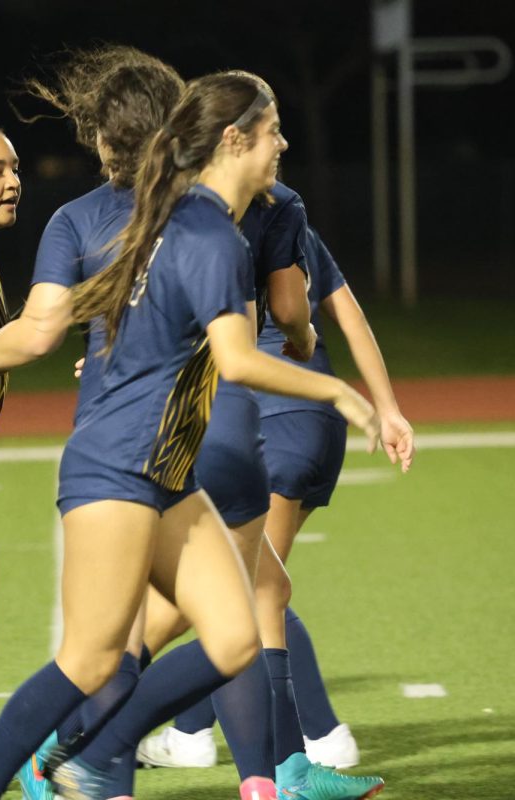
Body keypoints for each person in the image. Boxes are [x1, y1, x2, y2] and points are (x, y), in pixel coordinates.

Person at [0, 71, 379, 800]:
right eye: (272, 132)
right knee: (87, 660)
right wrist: (334, 387)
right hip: (118, 467)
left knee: (234, 639)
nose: (282, 145)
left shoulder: (181, 217)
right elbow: (237, 358)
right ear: (233, 141)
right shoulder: (204, 231)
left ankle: (92, 753)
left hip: (170, 474)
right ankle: (12, 778)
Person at [0, 44, 185, 800]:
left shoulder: (117, 217)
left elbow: (49, 333)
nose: (12, 180)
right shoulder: (203, 214)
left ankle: (95, 764)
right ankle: (62, 764)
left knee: (217, 628)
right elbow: (34, 335)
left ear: (108, 136)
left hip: (148, 445)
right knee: (96, 651)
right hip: (130, 451)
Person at [141, 225, 415, 772]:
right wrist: (386, 406)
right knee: (240, 585)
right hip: (316, 424)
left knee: (245, 590)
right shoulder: (293, 219)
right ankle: (194, 729)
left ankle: (316, 734)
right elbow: (350, 316)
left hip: (265, 419)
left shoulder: (212, 225)